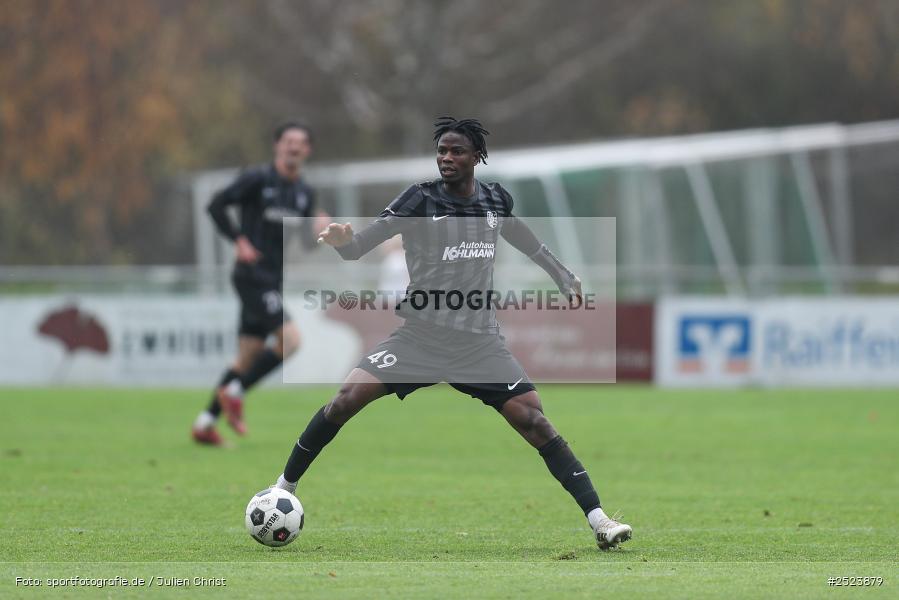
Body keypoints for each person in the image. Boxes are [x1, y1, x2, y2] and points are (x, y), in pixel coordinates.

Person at [271, 117, 632, 550]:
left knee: (534, 420)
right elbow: (358, 248)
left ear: (477, 156)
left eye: (456, 151)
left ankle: (601, 522)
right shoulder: (419, 200)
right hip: (419, 340)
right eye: (441, 150)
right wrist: (343, 240)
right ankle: (282, 490)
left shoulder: (495, 200)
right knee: (345, 399)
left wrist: (560, 273)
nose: (446, 158)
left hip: (478, 343)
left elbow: (523, 237)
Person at [192, 121, 323, 446]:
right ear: (277, 145)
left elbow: (307, 243)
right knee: (291, 341)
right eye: (288, 140)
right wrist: (238, 240)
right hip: (251, 275)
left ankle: (205, 424)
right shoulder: (258, 179)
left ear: (307, 150)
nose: (294, 146)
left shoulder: (305, 193)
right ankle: (234, 392)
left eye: (300, 142)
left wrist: (323, 231)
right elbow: (215, 205)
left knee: (247, 357)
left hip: (272, 278)